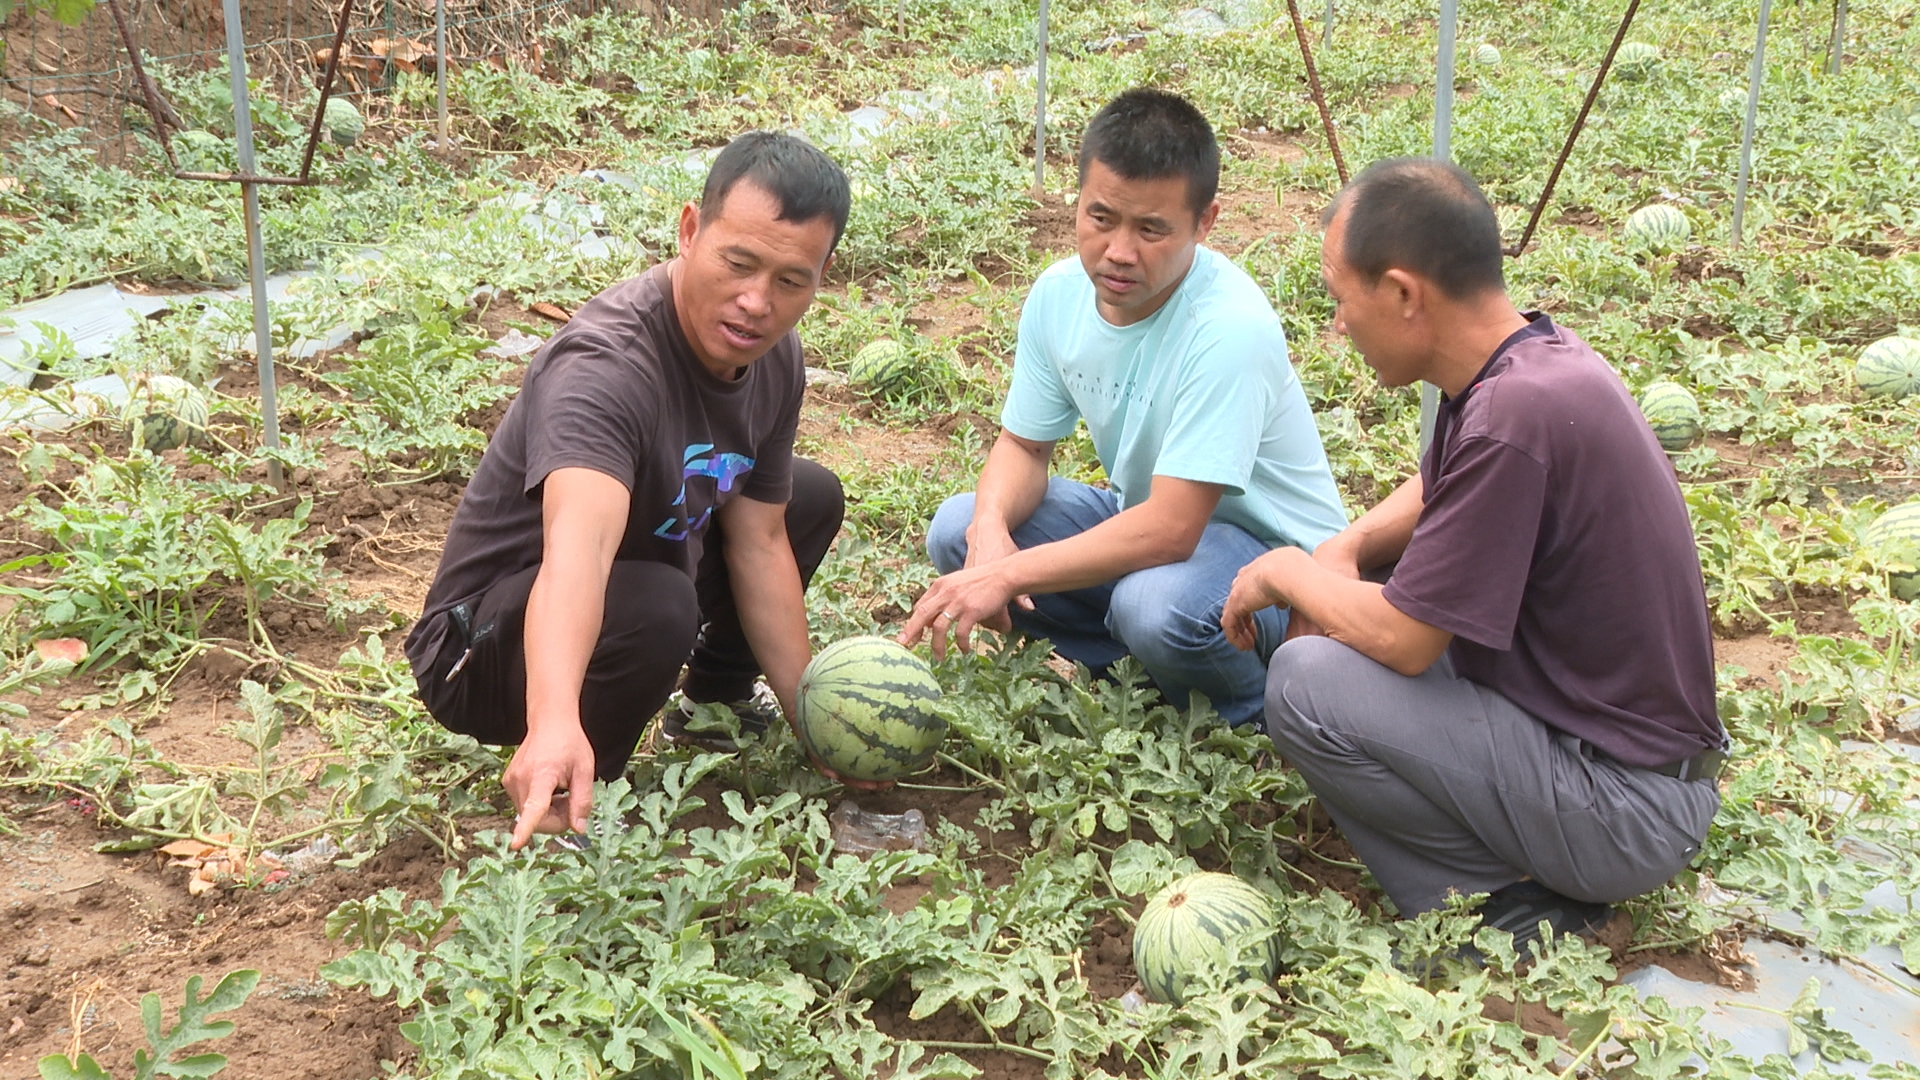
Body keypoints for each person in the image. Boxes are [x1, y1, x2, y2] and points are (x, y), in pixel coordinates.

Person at [1222, 158, 1727, 953]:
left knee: (1306, 684)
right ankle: (1520, 868)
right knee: (1364, 588)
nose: (1339, 324)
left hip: (1626, 810)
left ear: (1401, 294)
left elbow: (1404, 642)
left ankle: (1503, 909)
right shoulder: (1528, 366)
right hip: (1631, 769)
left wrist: (1287, 571)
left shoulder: (1508, 421)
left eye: (1339, 297)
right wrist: (1346, 546)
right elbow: (1435, 491)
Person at [405, 132, 861, 852]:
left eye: (790, 281)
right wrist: (553, 716)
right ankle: (577, 794)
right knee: (656, 605)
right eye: (737, 264)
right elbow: (577, 555)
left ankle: (717, 700)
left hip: (638, 565)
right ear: (689, 230)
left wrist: (824, 725)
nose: (755, 303)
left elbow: (761, 540)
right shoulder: (605, 368)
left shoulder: (775, 360)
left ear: (822, 274)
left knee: (804, 498)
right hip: (485, 645)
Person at [899, 88, 1347, 727]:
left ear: (1206, 222)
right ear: (1076, 200)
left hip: (1272, 563)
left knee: (1154, 605)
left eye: (1152, 229)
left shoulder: (1229, 327)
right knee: (959, 530)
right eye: (1101, 218)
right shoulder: (1059, 296)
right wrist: (993, 533)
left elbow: (1171, 529)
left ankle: (1258, 709)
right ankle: (1146, 676)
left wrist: (1006, 576)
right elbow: (1025, 446)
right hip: (1150, 529)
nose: (1119, 251)